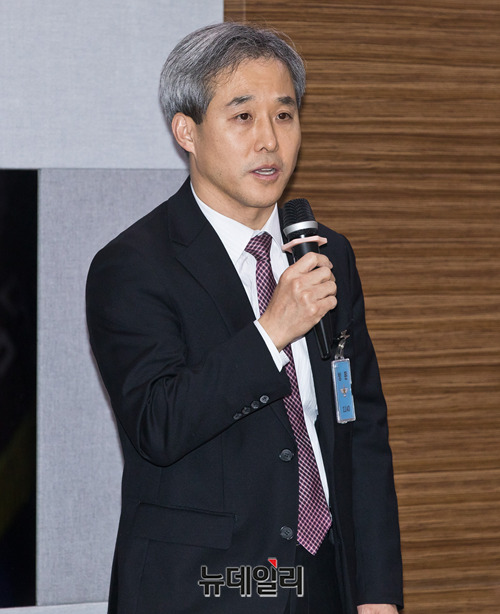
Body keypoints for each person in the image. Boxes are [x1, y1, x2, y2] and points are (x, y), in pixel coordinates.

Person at [86, 22, 403, 614]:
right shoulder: (133, 266)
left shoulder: (324, 252)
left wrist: (378, 593)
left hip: (324, 577)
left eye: (284, 115)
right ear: (187, 131)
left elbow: (359, 427)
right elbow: (159, 424)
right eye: (243, 116)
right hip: (208, 586)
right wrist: (271, 333)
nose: (269, 141)